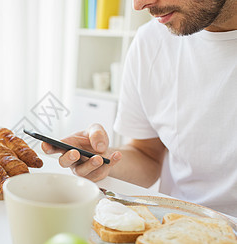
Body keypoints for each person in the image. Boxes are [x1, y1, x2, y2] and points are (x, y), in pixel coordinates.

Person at [42, 0, 237, 216]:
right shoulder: (151, 42)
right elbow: (147, 155)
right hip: (174, 227)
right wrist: (103, 160)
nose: (138, 5)